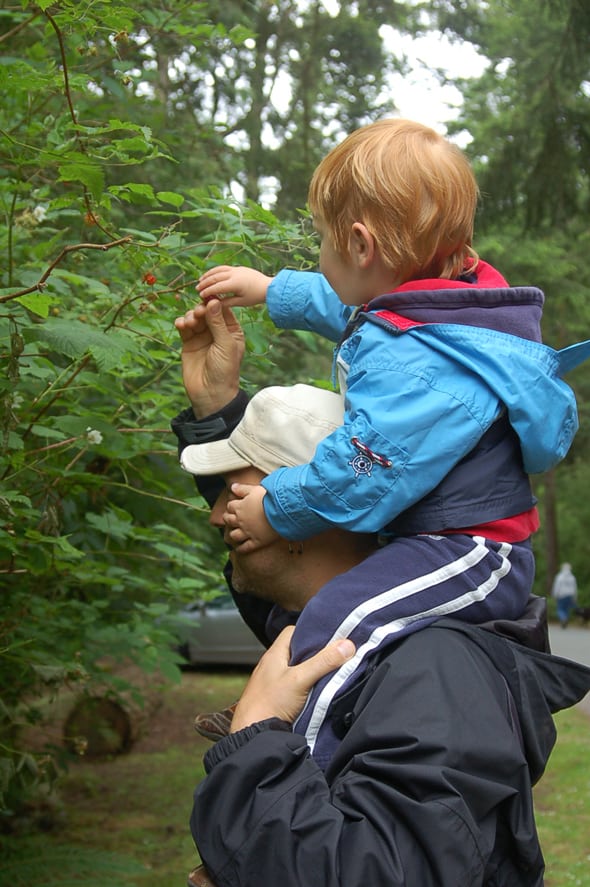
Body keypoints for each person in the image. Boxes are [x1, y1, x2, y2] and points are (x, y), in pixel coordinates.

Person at [171, 298, 590, 887]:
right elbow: (262, 556)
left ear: (315, 514)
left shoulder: (434, 669)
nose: (219, 516)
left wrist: (253, 745)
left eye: (238, 493)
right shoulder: (340, 635)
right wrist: (217, 408)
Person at [192, 118, 590, 715]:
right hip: (439, 539)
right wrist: (275, 290)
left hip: (467, 551)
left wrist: (277, 505)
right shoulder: (437, 312)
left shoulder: (421, 367)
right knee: (330, 616)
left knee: (337, 623)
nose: (320, 254)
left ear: (357, 244)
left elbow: (365, 467)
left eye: (322, 239)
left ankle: (296, 746)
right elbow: (358, 309)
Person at [552, 562, 578, 628]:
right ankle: (565, 619)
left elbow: (557, 586)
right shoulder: (572, 577)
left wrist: (555, 595)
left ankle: (563, 618)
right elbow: (575, 588)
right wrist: (575, 597)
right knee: (566, 609)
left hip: (561, 595)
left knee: (560, 609)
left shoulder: (559, 577)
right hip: (570, 595)